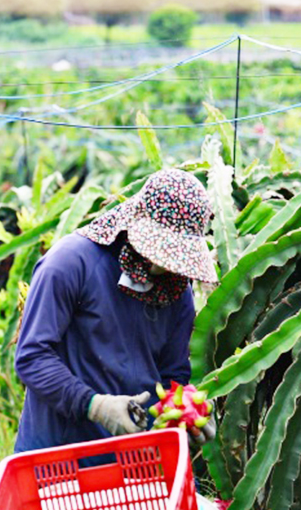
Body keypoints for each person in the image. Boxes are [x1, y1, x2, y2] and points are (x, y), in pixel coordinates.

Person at [13, 167, 218, 454]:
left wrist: (186, 412)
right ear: (134, 222)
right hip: (57, 459)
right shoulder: (70, 264)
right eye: (163, 250)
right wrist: (94, 405)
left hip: (136, 463)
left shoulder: (176, 290)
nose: (169, 264)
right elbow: (32, 358)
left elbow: (173, 376)